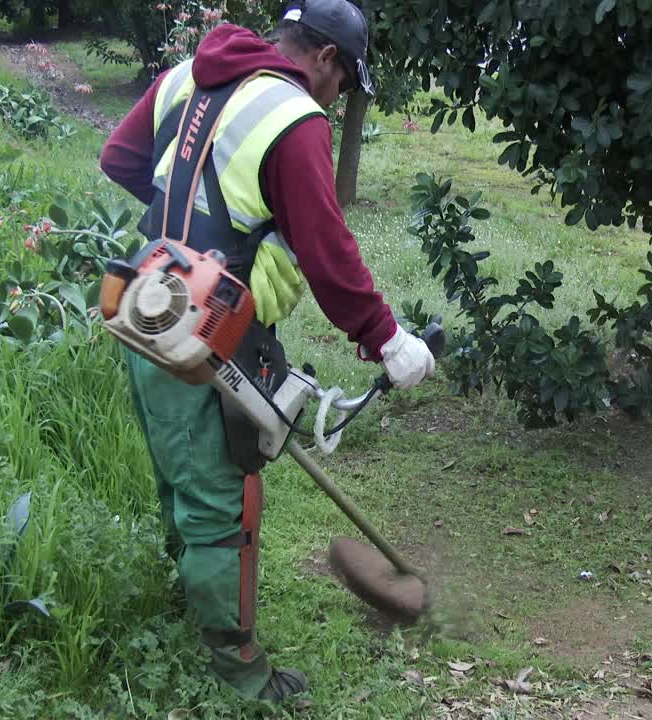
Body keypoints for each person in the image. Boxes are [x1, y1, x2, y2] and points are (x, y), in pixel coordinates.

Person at [98, 0, 435, 703]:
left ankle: (182, 611)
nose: (338, 99)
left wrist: (188, 227)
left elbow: (121, 157)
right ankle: (241, 676)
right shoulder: (294, 115)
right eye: (344, 82)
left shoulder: (188, 75)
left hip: (142, 302)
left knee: (179, 478)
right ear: (325, 59)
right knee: (224, 500)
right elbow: (328, 250)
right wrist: (385, 338)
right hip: (208, 330)